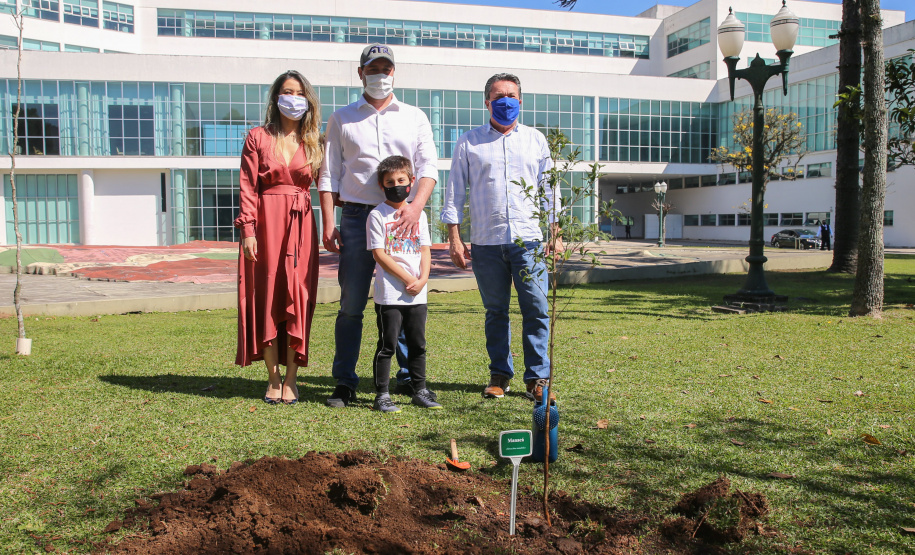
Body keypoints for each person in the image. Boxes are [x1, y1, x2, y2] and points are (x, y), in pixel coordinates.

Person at [318, 44, 438, 408]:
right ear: (361, 73)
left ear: (393, 73)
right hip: (355, 218)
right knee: (351, 305)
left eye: (386, 69)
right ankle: (345, 382)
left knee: (403, 300)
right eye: (373, 69)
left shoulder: (414, 116)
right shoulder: (341, 118)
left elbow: (429, 167)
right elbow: (328, 174)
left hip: (403, 218)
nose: (380, 75)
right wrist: (328, 222)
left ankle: (407, 380)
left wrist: (416, 208)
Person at [440, 72, 558, 403]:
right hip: (487, 242)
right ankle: (499, 375)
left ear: (520, 101)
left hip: (528, 241)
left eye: (511, 94)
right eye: (498, 95)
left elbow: (549, 188)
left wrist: (555, 231)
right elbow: (455, 190)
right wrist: (454, 236)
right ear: (487, 101)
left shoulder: (536, 140)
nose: (505, 100)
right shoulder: (469, 141)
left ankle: (537, 378)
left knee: (536, 308)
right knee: (496, 311)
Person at [235, 70, 322, 405]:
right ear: (276, 97)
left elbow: (326, 188)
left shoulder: (315, 141)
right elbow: (247, 186)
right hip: (266, 222)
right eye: (287, 92)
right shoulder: (257, 137)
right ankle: (272, 378)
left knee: (298, 296)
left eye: (300, 93)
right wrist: (247, 230)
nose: (294, 98)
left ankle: (291, 378)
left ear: (308, 99)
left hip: (301, 225)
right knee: (268, 294)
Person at [367, 155, 441, 413]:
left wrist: (422, 279)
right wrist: (409, 279)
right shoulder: (378, 215)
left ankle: (420, 390)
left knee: (418, 344)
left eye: (401, 180)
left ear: (411, 181)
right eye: (390, 181)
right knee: (387, 345)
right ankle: (382, 395)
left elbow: (425, 250)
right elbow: (379, 254)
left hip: (417, 294)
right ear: (381, 184)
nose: (396, 184)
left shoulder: (418, 215)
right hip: (390, 294)